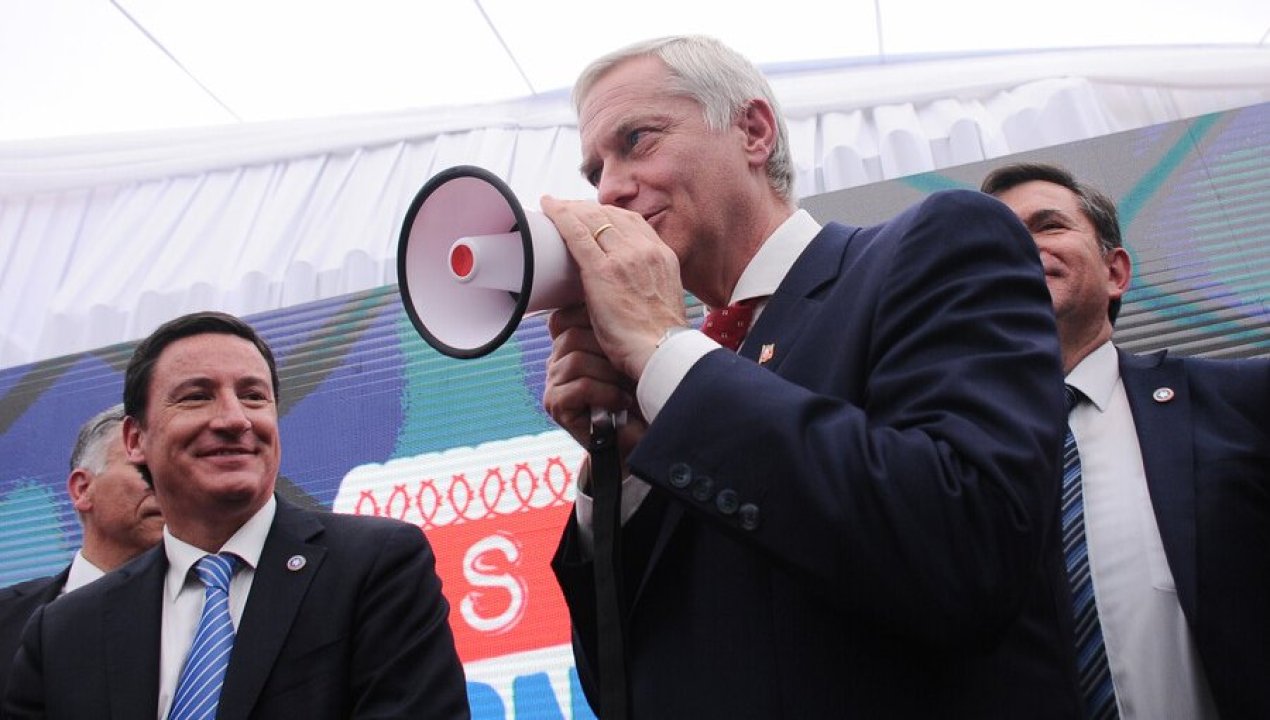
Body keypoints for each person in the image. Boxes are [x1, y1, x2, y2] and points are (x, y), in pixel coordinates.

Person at [541, 35, 1078, 718]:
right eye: (595, 171)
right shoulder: (677, 387)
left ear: (753, 131)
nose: (610, 189)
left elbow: (967, 551)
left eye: (636, 141)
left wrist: (664, 352)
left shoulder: (936, 243)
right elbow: (627, 686)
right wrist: (618, 474)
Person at [3, 311, 469, 719]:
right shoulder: (64, 632)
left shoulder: (375, 566)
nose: (234, 419)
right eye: (196, 396)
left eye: (253, 396)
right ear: (135, 439)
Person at [982, 162, 1270, 719]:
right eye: (998, 241)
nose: (1021, 248)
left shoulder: (1244, 401)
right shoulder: (949, 458)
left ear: (1115, 272)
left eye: (1048, 226)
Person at [0, 404, 163, 699]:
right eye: (145, 467)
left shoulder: (218, 620)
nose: (167, 482)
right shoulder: (7, 617)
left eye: (173, 470)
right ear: (82, 489)